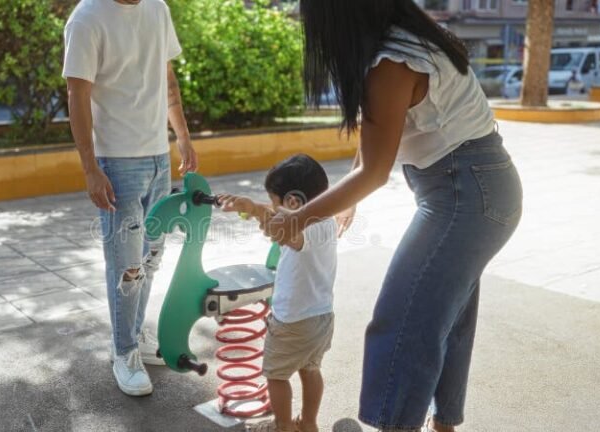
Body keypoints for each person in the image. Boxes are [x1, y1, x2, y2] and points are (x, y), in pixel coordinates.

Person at [264, 1, 523, 431]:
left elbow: (374, 172)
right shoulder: (416, 41)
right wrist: (347, 199)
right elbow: (375, 143)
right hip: (484, 188)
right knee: (446, 317)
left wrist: (298, 218)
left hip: (464, 195)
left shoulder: (390, 63)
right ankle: (443, 424)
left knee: (401, 321)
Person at [62, 0, 198, 397]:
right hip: (117, 163)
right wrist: (90, 167)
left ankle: (134, 336)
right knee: (126, 268)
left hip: (157, 157)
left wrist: (182, 137)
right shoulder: (86, 19)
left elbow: (167, 77)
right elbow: (77, 95)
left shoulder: (157, 9)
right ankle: (123, 352)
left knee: (150, 259)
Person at [218, 154, 337, 432]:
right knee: (310, 369)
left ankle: (283, 426)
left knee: (276, 375)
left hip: (292, 320)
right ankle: (308, 424)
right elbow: (285, 222)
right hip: (321, 317)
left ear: (293, 202)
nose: (272, 207)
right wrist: (253, 207)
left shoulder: (303, 228)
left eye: (274, 201)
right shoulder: (326, 218)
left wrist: (262, 215)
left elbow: (289, 235)